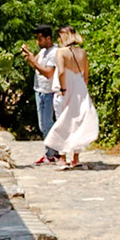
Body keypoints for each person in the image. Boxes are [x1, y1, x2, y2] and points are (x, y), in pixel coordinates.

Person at [43, 25, 99, 169]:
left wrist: (63, 88)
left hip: (65, 89)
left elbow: (61, 72)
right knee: (77, 123)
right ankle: (75, 157)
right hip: (80, 90)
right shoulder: (83, 53)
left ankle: (62, 157)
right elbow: (86, 75)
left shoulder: (61, 52)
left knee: (62, 122)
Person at [19, 27, 60, 164]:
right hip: (39, 90)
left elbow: (48, 73)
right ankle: (54, 151)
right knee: (43, 125)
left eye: (40, 39)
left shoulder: (54, 53)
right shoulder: (43, 52)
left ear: (48, 38)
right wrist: (29, 56)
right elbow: (35, 65)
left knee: (47, 124)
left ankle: (51, 153)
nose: (38, 42)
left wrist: (33, 61)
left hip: (49, 92)